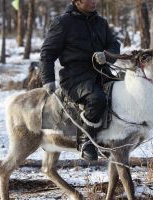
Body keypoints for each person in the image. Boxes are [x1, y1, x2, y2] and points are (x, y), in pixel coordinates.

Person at [40, 0, 120, 161]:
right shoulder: (62, 23)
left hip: (102, 72)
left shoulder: (101, 23)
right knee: (96, 99)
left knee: (121, 94)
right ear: (77, 2)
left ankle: (108, 140)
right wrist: (48, 79)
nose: (94, 2)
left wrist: (107, 55)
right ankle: (86, 142)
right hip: (75, 77)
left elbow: (114, 45)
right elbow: (47, 53)